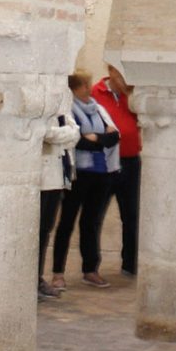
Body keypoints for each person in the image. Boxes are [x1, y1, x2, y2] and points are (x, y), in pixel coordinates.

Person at [51, 71, 121, 289]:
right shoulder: (67, 110)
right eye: (84, 85)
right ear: (73, 89)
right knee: (67, 222)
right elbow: (75, 141)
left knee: (91, 222)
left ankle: (90, 270)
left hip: (101, 173)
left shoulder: (97, 108)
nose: (88, 89)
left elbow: (115, 136)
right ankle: (57, 273)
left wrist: (96, 138)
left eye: (88, 84)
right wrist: (99, 139)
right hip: (77, 174)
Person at [92, 64, 141, 276]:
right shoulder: (95, 93)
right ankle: (91, 266)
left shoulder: (132, 95)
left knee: (131, 215)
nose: (127, 80)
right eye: (123, 75)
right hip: (104, 163)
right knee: (95, 214)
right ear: (111, 71)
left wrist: (131, 96)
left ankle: (130, 264)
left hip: (131, 161)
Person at [38, 110, 80, 299]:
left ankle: (36, 278)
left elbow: (75, 133)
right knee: (33, 232)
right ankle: (26, 280)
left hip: (56, 178)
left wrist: (58, 134)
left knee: (45, 230)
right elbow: (43, 133)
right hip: (39, 179)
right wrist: (62, 133)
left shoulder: (61, 102)